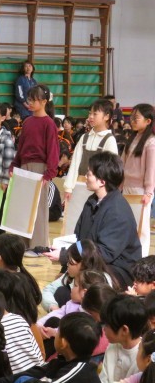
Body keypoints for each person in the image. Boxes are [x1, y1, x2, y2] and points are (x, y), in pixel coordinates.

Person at [75, 152, 142, 289]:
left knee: (75, 289)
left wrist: (68, 257)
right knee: (61, 287)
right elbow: (78, 237)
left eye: (89, 173)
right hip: (93, 263)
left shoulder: (118, 210)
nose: (86, 176)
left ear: (102, 181)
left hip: (117, 271)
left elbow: (105, 253)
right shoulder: (92, 201)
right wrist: (67, 265)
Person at [10, 84, 60, 251]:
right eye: (29, 99)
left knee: (38, 208)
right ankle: (22, 244)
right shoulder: (27, 122)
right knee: (23, 207)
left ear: (44, 101)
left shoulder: (49, 124)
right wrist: (14, 165)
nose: (29, 103)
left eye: (33, 100)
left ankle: (39, 245)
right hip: (23, 168)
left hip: (40, 169)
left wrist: (49, 174)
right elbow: (21, 147)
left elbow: (53, 151)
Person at [64, 99, 118, 201]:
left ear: (106, 116)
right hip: (79, 186)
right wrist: (68, 187)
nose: (91, 117)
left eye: (95, 114)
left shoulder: (109, 140)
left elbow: (110, 170)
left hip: (98, 191)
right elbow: (75, 164)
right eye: (90, 113)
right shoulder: (84, 137)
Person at [122, 103, 155, 256]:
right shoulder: (132, 138)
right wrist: (118, 186)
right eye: (131, 117)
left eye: (136, 118)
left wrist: (148, 192)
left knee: (141, 228)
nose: (132, 121)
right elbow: (122, 164)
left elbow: (151, 170)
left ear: (148, 121)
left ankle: (141, 258)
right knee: (127, 225)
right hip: (126, 188)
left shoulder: (151, 142)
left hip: (141, 190)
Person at [99, 294, 146, 383]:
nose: (104, 329)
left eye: (107, 325)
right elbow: (103, 380)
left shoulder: (143, 357)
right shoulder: (112, 346)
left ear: (124, 330)